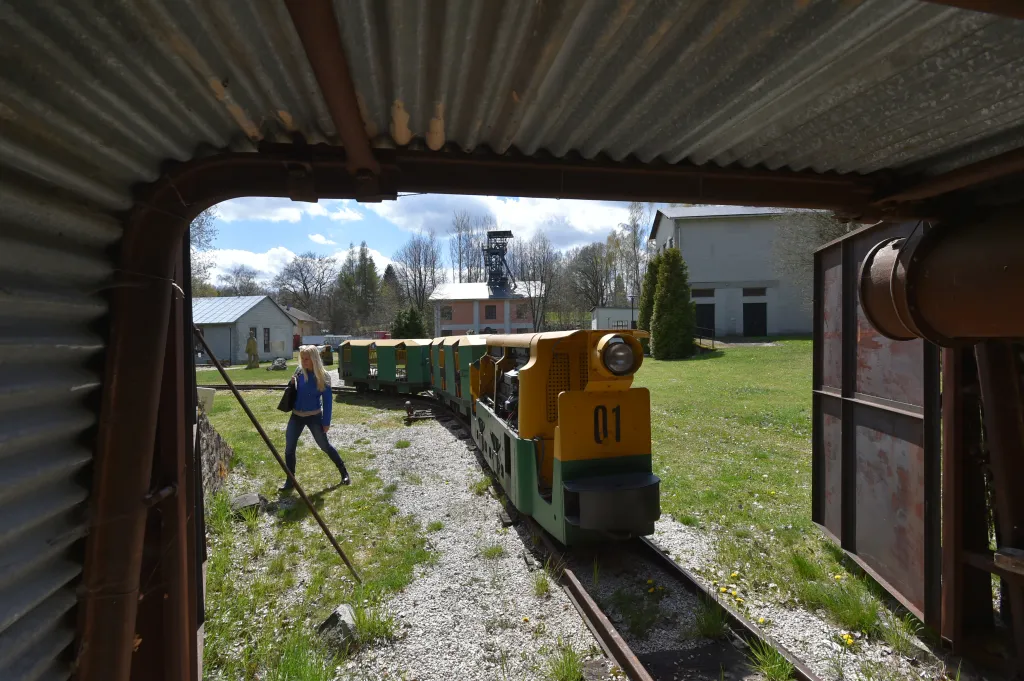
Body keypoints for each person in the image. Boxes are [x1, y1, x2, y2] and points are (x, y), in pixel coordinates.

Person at [281, 345, 350, 491]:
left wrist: (326, 422)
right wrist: (291, 383)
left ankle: (344, 472)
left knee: (324, 446)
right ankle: (290, 480)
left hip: (314, 417)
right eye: (302, 359)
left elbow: (328, 402)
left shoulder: (323, 376)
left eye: (307, 359)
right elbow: (291, 391)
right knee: (289, 448)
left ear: (314, 359)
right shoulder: (299, 372)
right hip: (296, 416)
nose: (304, 361)